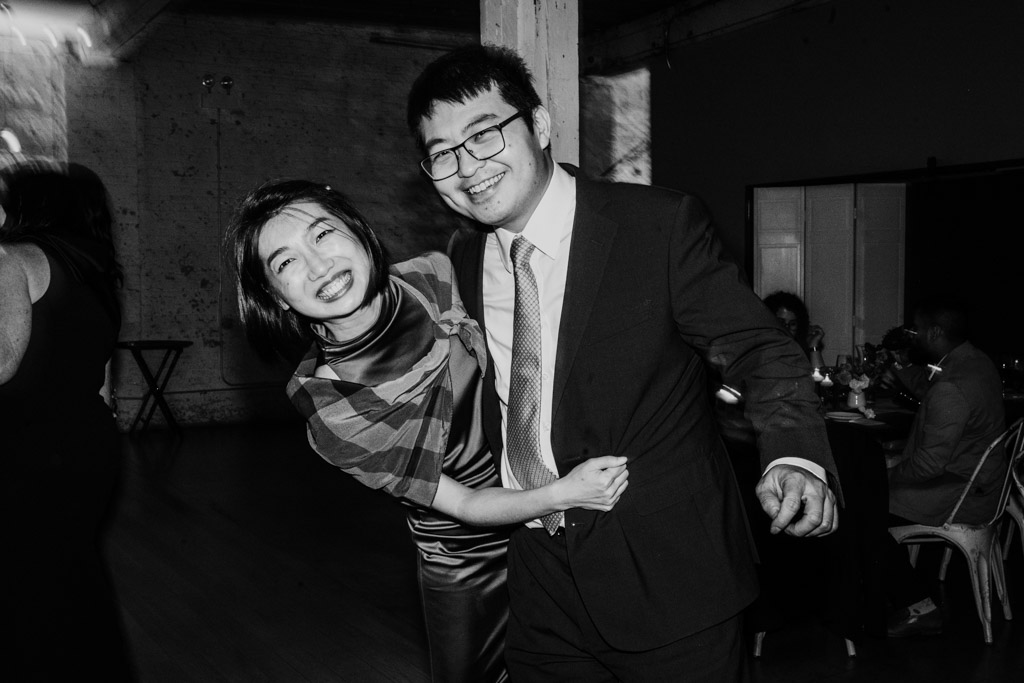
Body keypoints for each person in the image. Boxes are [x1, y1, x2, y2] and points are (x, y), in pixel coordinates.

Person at [407, 44, 839, 681]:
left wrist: (794, 454)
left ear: (540, 125)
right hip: (538, 582)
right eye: (443, 153)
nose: (468, 167)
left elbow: (759, 348)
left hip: (669, 578)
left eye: (484, 134)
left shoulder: (655, 225)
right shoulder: (464, 258)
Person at [224, 179, 629, 682]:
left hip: (552, 524)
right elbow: (465, 504)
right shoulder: (335, 408)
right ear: (275, 296)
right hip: (469, 556)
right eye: (286, 262)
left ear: (357, 230)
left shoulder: (434, 274)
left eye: (323, 234)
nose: (319, 266)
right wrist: (562, 494)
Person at [0, 161, 131, 680]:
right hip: (89, 447)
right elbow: (102, 382)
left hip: (23, 451)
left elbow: (1, 362)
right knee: (73, 579)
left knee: (23, 593)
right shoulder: (94, 272)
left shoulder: (12, 258)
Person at [884, 295, 1006, 637]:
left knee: (861, 508)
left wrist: (884, 475)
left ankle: (918, 606)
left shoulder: (953, 384)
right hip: (983, 481)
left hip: (961, 493)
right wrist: (900, 368)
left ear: (935, 332)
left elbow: (927, 466)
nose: (915, 336)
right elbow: (931, 390)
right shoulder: (975, 361)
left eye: (918, 330)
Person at [763, 290, 825, 358]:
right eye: (781, 322)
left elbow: (816, 365)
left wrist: (813, 345)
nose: (786, 328)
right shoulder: (760, 352)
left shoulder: (796, 353)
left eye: (792, 324)